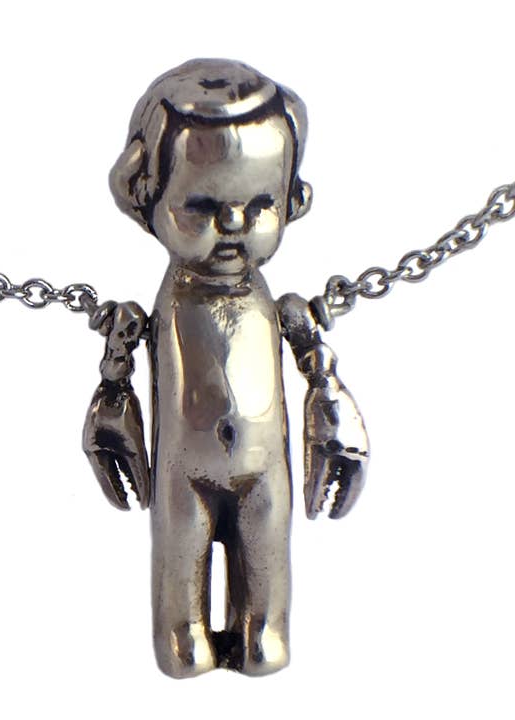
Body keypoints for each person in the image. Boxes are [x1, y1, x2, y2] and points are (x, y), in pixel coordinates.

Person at [84, 58, 369, 678]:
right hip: (181, 478)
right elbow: (117, 381)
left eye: (261, 203)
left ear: (294, 201)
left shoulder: (282, 310)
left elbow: (322, 376)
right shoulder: (161, 311)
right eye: (202, 205)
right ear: (145, 197)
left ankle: (262, 629)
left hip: (266, 474)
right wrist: (114, 381)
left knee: (266, 634)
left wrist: (332, 418)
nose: (235, 224)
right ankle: (181, 633)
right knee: (181, 619)